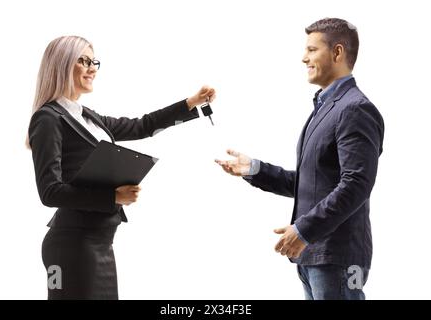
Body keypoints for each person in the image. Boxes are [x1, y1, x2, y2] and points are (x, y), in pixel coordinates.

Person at [27, 35, 215, 299]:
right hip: (72, 245)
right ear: (61, 64)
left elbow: (142, 126)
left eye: (94, 61)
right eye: (83, 60)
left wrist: (190, 104)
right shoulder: (48, 119)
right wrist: (112, 197)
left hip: (100, 242)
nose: (92, 68)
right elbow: (49, 192)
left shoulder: (86, 116)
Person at [215, 18, 384, 300]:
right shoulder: (327, 107)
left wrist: (303, 230)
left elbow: (356, 185)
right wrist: (255, 169)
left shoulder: (355, 109)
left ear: (337, 53)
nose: (303, 57)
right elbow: (315, 182)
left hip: (337, 258)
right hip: (314, 257)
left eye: (312, 49)